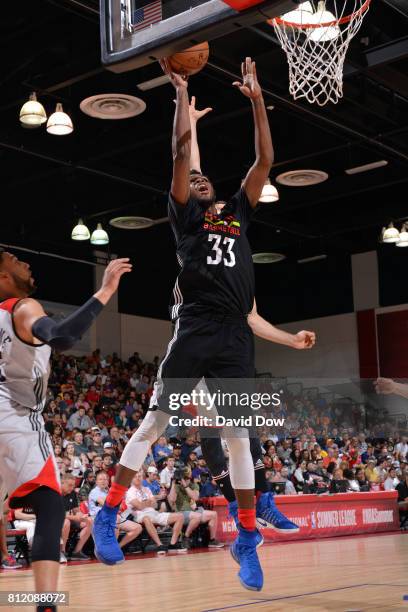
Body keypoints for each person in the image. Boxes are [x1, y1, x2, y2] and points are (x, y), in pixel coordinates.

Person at [93, 57, 314, 593]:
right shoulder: (186, 218)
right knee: (152, 426)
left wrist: (258, 100)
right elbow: (179, 154)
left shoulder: (238, 209)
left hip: (235, 334)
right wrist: (181, 102)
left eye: (203, 175)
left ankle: (245, 538)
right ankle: (107, 513)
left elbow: (265, 158)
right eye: (192, 179)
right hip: (194, 328)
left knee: (239, 437)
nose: (199, 178)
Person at [0, 250, 130, 612]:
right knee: (49, 505)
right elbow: (62, 336)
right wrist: (104, 291)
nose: (23, 261)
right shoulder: (21, 307)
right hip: (12, 418)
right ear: (3, 278)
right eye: (12, 259)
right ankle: (46, 606)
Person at [125, 471, 186, 554]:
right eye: (135, 476)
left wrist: (144, 503)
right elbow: (139, 506)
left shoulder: (146, 489)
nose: (138, 478)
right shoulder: (130, 492)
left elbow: (154, 504)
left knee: (180, 516)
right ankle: (159, 545)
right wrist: (148, 502)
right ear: (131, 479)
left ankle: (173, 544)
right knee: (146, 519)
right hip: (139, 515)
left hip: (154, 512)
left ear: (142, 478)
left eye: (139, 476)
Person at [168, 467, 223, 548]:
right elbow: (172, 500)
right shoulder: (176, 486)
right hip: (181, 513)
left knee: (213, 514)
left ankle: (212, 540)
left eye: (187, 478)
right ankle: (186, 537)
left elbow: (196, 497)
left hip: (194, 511)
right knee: (196, 516)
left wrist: (186, 486)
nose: (186, 480)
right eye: (184, 478)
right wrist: (173, 484)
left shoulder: (194, 485)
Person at [88, 471, 142, 552]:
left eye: (105, 479)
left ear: (108, 481)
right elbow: (106, 504)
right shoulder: (94, 492)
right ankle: (109, 550)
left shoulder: (108, 491)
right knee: (115, 520)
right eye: (101, 479)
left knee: (137, 528)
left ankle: (117, 547)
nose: (103, 481)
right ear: (96, 481)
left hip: (113, 517)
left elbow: (119, 506)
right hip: (97, 518)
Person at [60, 474, 93, 562]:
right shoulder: (54, 494)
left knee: (89, 521)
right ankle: (62, 551)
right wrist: (76, 518)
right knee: (66, 522)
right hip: (55, 521)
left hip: (69, 518)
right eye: (69, 485)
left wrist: (82, 516)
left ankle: (77, 551)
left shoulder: (72, 493)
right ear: (62, 483)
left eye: (73, 485)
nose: (72, 488)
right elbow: (58, 515)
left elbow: (76, 510)